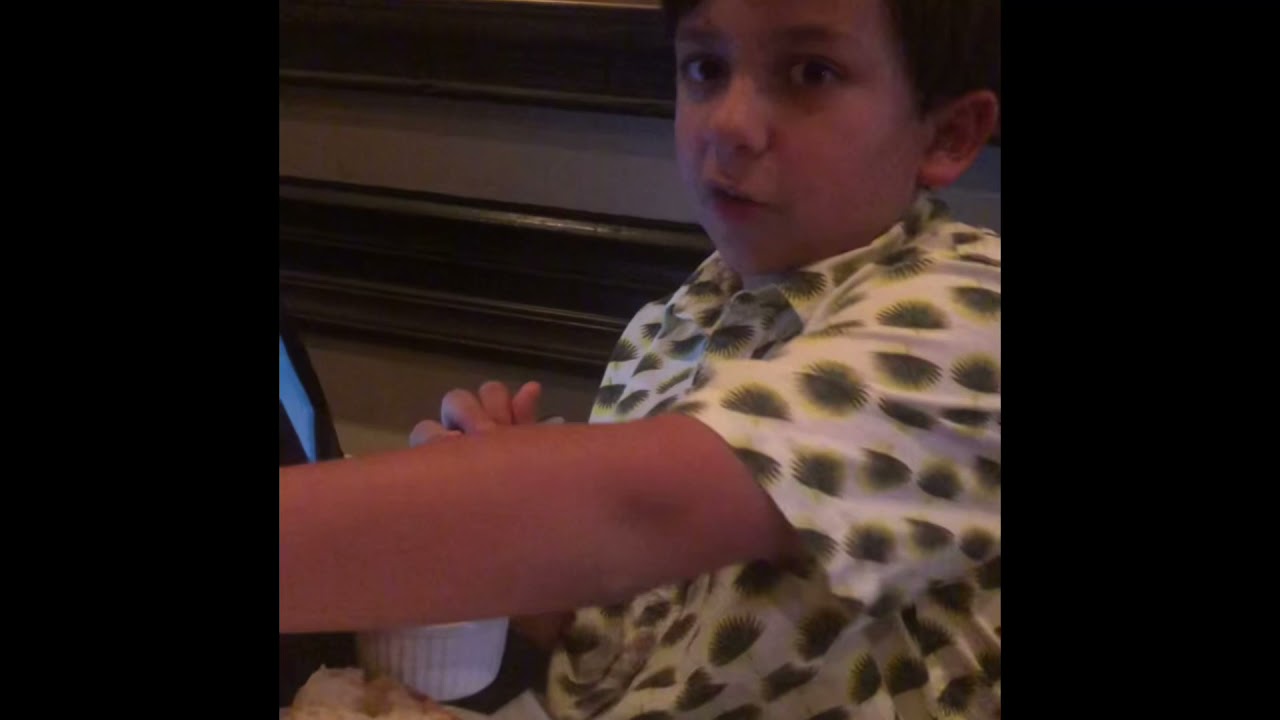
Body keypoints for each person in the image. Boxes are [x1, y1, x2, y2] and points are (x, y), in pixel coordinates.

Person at [281, 1, 1001, 717]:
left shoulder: (968, 313)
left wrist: (535, 505)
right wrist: (529, 554)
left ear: (949, 134)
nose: (729, 122)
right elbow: (623, 632)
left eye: (811, 73)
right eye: (706, 68)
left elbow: (638, 512)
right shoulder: (674, 322)